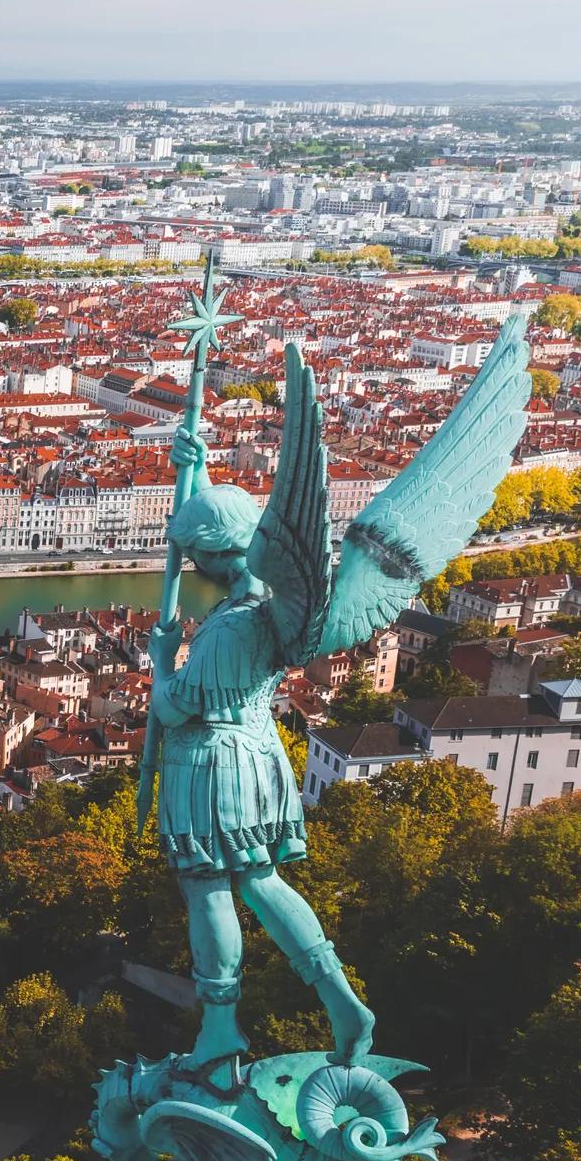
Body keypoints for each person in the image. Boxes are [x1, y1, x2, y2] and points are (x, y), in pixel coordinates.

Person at [149, 429, 373, 1073]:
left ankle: (220, 1028)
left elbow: (174, 707)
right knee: (261, 879)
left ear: (213, 556)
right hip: (260, 754)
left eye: (193, 558)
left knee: (209, 890)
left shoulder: (228, 630)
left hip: (209, 764)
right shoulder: (272, 605)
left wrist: (161, 662)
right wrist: (191, 476)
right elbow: (215, 533)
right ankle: (340, 999)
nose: (188, 568)